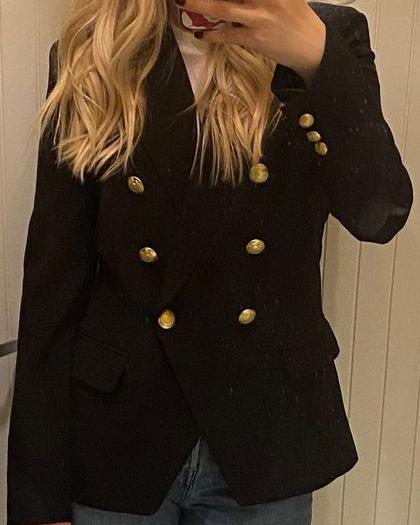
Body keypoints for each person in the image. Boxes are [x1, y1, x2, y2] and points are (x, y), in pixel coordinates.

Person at [7, 0, 413, 524]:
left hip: (265, 429)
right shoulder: (96, 51)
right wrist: (38, 500)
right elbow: (54, 282)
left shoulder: (325, 35)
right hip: (120, 431)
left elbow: (379, 213)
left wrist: (313, 58)